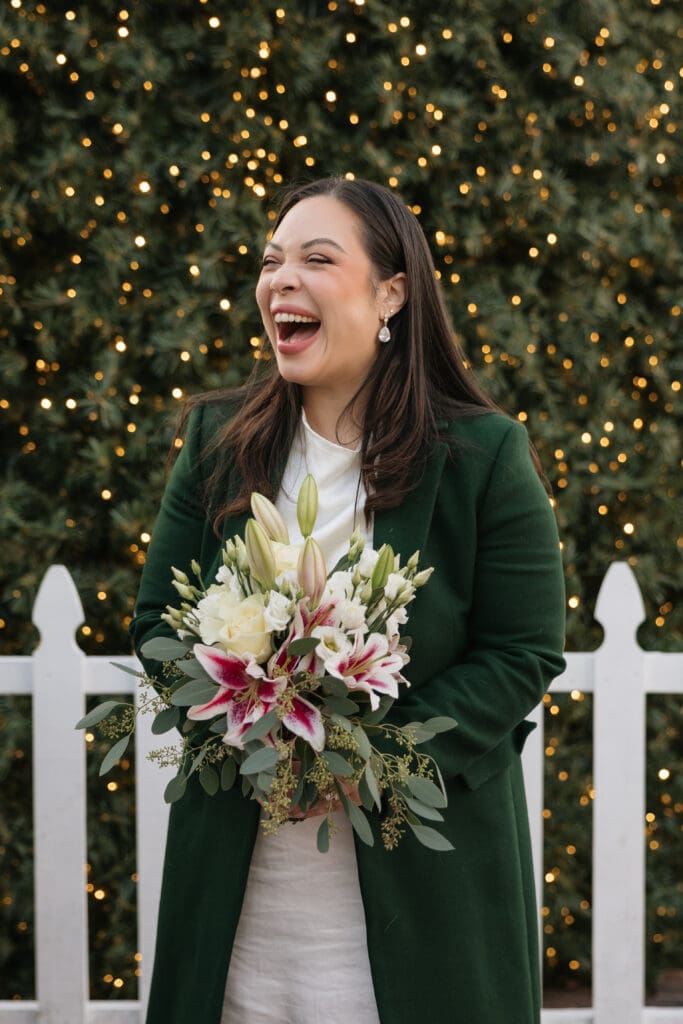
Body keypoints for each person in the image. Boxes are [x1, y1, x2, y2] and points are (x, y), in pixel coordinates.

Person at [131, 176, 566, 1024]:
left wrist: (366, 758)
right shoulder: (218, 445)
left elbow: (521, 652)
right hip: (244, 888)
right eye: (270, 262)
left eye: (315, 260)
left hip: (425, 892)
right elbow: (157, 628)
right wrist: (251, 711)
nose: (279, 281)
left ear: (391, 293)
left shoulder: (482, 454)